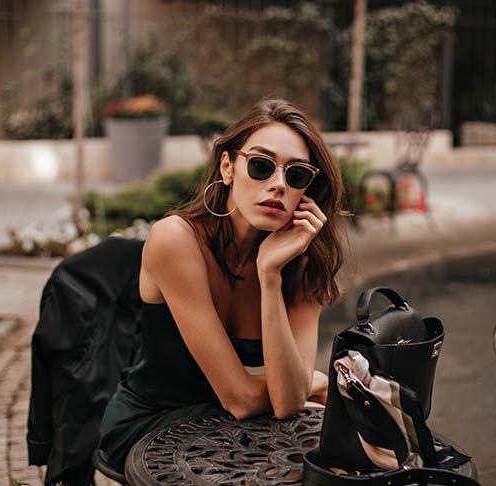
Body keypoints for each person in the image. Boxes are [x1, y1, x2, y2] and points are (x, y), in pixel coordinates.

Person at [98, 97, 347, 474]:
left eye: (296, 175)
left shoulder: (302, 264)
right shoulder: (176, 241)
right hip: (153, 429)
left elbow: (286, 403)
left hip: (231, 427)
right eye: (262, 166)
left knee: (340, 451)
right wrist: (310, 381)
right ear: (228, 167)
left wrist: (269, 275)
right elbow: (246, 400)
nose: (278, 184)